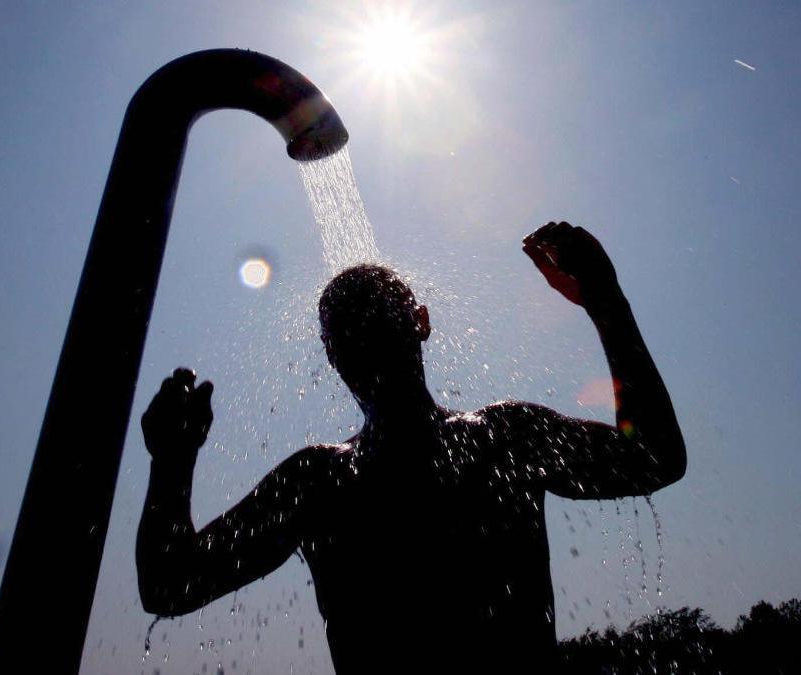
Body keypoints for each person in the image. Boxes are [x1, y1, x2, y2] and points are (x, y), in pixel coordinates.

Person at [136, 222, 687, 673]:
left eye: (376, 316)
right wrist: (605, 304)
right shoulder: (494, 441)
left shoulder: (326, 482)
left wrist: (172, 463)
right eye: (350, 328)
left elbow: (655, 459)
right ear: (335, 355)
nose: (365, 332)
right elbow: (168, 586)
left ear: (418, 323)